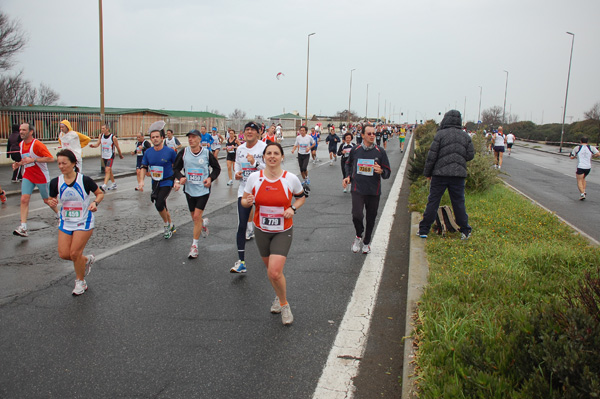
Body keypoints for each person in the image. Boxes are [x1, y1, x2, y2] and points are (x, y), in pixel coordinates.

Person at [241, 142, 306, 325]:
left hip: (282, 230)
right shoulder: (255, 177)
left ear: (282, 157)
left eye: (276, 153)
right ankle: (279, 295)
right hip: (261, 230)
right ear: (264, 157)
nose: (272, 156)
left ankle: (284, 305)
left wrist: (292, 208)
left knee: (275, 272)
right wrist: (248, 201)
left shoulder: (290, 178)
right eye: (268, 153)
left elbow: (301, 198)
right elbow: (244, 202)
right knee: (272, 272)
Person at [48, 149, 104, 296]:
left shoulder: (84, 180)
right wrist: (51, 202)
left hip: (83, 221)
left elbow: (99, 193)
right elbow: (51, 200)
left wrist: (95, 203)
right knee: (64, 254)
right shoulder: (55, 182)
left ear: (73, 163)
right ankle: (86, 260)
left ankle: (80, 282)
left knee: (74, 253)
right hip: (66, 221)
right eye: (59, 163)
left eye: (64, 163)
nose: (61, 166)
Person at [418, 110, 475, 239]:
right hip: (459, 174)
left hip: (440, 174)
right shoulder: (465, 136)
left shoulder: (440, 135)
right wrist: (459, 159)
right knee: (459, 202)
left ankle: (424, 230)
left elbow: (431, 156)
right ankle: (465, 230)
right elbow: (470, 155)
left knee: (433, 201)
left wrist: (428, 172)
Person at [343, 124, 391, 254]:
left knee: (371, 217)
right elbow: (348, 164)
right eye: (369, 133)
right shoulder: (355, 150)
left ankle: (366, 242)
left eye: (373, 134)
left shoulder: (380, 152)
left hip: (373, 191)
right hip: (358, 189)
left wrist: (381, 171)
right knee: (357, 215)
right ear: (362, 135)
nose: (372, 136)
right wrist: (347, 177)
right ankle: (359, 235)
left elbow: (388, 172)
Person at [173, 129, 221, 258]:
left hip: (203, 190)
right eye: (189, 137)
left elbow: (217, 168)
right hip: (189, 189)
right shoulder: (183, 152)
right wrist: (180, 177)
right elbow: (176, 168)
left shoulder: (206, 153)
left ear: (200, 139)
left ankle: (194, 246)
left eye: (193, 137)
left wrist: (210, 178)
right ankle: (202, 223)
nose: (190, 139)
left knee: (196, 217)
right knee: (195, 217)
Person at [230, 122, 267, 273]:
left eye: (253, 130)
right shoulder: (240, 148)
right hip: (244, 190)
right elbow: (237, 166)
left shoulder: (264, 147)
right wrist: (237, 173)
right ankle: (241, 261)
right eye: (247, 130)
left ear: (258, 133)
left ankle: (269, 255)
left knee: (264, 226)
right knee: (241, 225)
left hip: (263, 191)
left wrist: (255, 163)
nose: (249, 132)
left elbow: (271, 168)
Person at [12, 123, 59, 237]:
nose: (21, 132)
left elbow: (51, 158)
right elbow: (25, 160)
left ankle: (61, 215)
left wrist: (34, 160)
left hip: (41, 176)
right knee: (24, 199)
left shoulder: (37, 144)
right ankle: (23, 227)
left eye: (24, 130)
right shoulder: (21, 144)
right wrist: (18, 164)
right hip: (28, 175)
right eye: (20, 130)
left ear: (31, 132)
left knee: (47, 200)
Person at [141, 124, 178, 239]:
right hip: (155, 182)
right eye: (153, 137)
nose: (155, 139)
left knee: (159, 203)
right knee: (162, 205)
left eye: (157, 136)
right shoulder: (148, 152)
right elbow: (143, 166)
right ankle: (171, 223)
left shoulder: (170, 152)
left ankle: (166, 225)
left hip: (167, 180)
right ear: (151, 139)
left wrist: (176, 181)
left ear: (162, 138)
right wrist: (141, 181)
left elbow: (177, 166)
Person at [89, 124, 123, 190]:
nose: (102, 130)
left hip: (110, 155)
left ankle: (104, 185)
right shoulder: (101, 136)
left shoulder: (113, 137)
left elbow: (117, 147)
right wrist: (93, 146)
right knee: (109, 170)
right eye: (101, 128)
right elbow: (98, 144)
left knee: (107, 170)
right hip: (104, 155)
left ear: (107, 129)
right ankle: (114, 184)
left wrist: (120, 155)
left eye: (103, 128)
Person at [569, 137, 599, 201]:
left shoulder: (577, 148)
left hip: (580, 166)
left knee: (579, 180)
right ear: (587, 141)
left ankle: (582, 194)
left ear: (580, 141)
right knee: (583, 178)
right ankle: (584, 190)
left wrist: (574, 156)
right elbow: (598, 153)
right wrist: (593, 156)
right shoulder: (591, 147)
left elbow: (572, 157)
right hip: (588, 167)